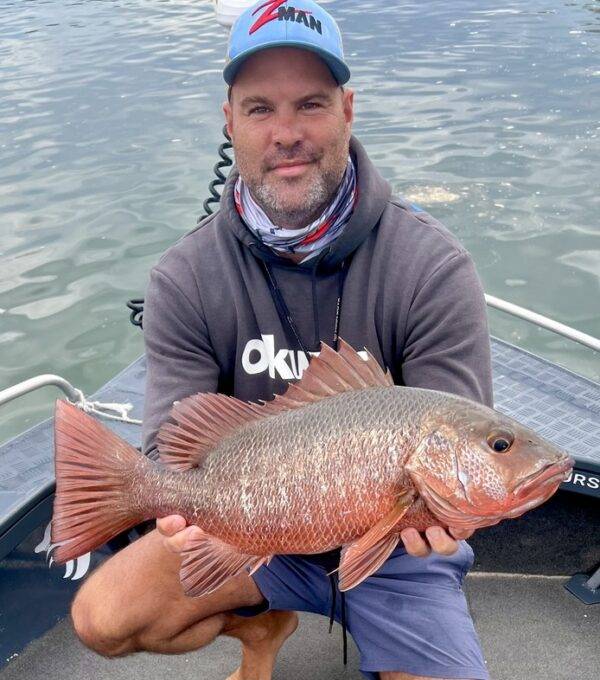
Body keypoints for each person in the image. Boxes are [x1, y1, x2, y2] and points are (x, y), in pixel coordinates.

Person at [70, 2, 493, 679]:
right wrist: (182, 511)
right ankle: (264, 630)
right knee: (104, 619)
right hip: (245, 530)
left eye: (311, 104)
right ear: (229, 121)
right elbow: (172, 447)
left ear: (348, 109)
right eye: (261, 108)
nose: (287, 132)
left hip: (396, 551)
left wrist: (446, 514)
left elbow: (459, 437)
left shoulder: (432, 266)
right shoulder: (185, 274)